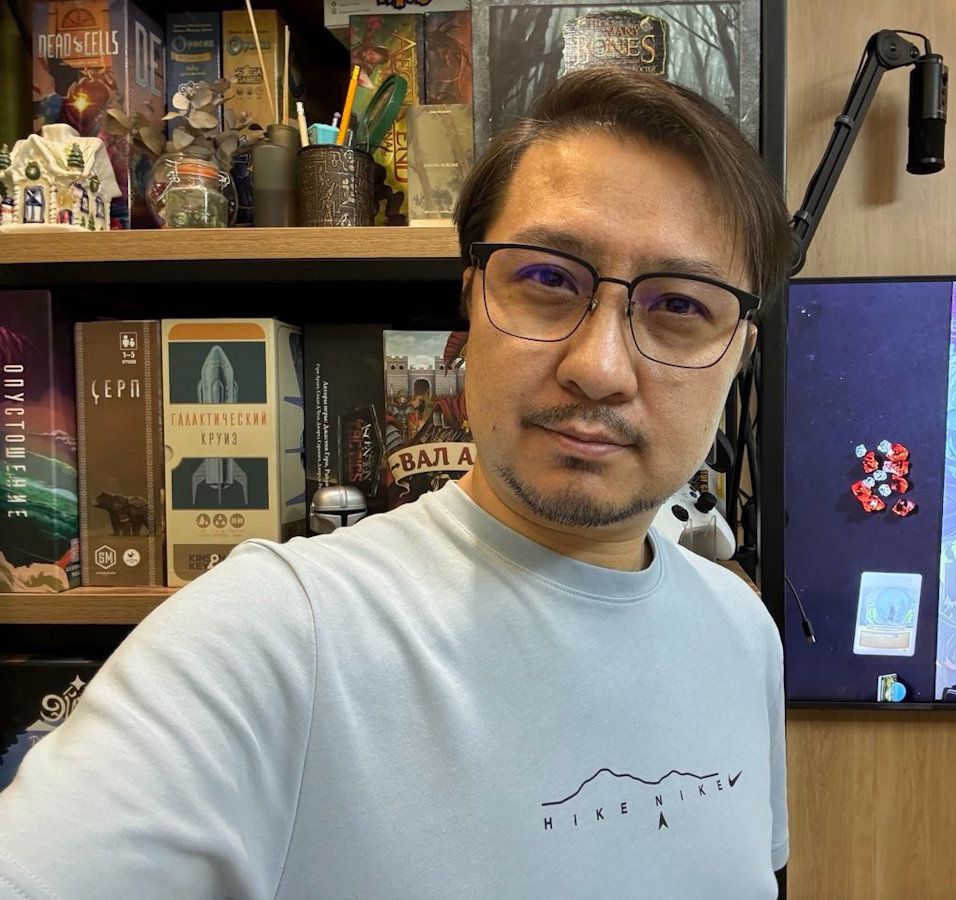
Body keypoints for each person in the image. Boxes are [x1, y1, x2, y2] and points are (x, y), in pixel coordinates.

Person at [0, 67, 793, 897]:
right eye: (549, 280)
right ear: (472, 302)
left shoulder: (742, 632)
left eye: (680, 306)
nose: (597, 368)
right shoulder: (275, 635)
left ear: (738, 353)